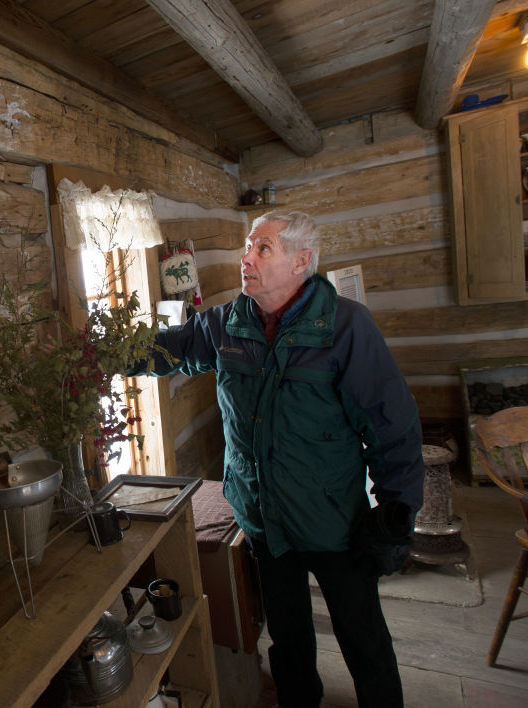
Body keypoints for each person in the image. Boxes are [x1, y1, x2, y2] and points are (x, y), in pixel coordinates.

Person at [132, 210, 424, 707]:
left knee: (363, 640)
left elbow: (391, 425)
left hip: (335, 522)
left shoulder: (347, 328)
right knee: (288, 639)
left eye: (262, 248)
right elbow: (170, 350)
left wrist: (396, 512)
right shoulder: (227, 324)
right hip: (266, 521)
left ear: (301, 262)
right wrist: (104, 354)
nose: (246, 258)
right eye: (248, 247)